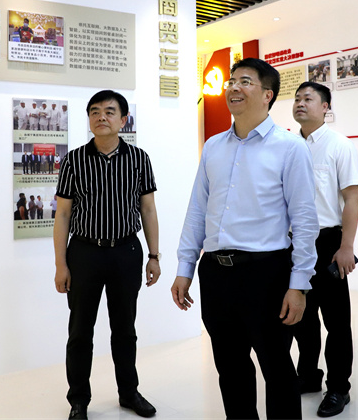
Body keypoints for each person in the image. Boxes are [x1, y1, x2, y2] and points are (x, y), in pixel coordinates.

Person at [171, 58, 319, 420]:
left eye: (245, 82)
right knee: (230, 367)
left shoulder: (289, 147)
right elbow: (198, 209)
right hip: (216, 274)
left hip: (266, 273)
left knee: (277, 367)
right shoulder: (213, 146)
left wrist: (299, 284)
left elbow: (304, 221)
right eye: (231, 81)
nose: (234, 88)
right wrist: (185, 267)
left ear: (268, 94)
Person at [54, 90, 161, 420]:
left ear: (123, 120)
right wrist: (61, 264)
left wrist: (154, 255)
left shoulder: (139, 158)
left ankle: (129, 393)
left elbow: (148, 208)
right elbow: (63, 214)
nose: (102, 116)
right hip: (84, 253)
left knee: (125, 329)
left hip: (126, 252)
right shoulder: (73, 160)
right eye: (95, 111)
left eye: (110, 111)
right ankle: (78, 401)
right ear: (89, 119)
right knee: (80, 332)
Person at [291, 81, 358, 417]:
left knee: (336, 321)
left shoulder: (339, 146)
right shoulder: (288, 146)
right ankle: (308, 376)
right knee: (300, 317)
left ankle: (339, 388)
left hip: (328, 243)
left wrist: (347, 246)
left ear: (325, 107)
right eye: (297, 98)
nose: (300, 103)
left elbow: (352, 198)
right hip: (293, 243)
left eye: (308, 98)